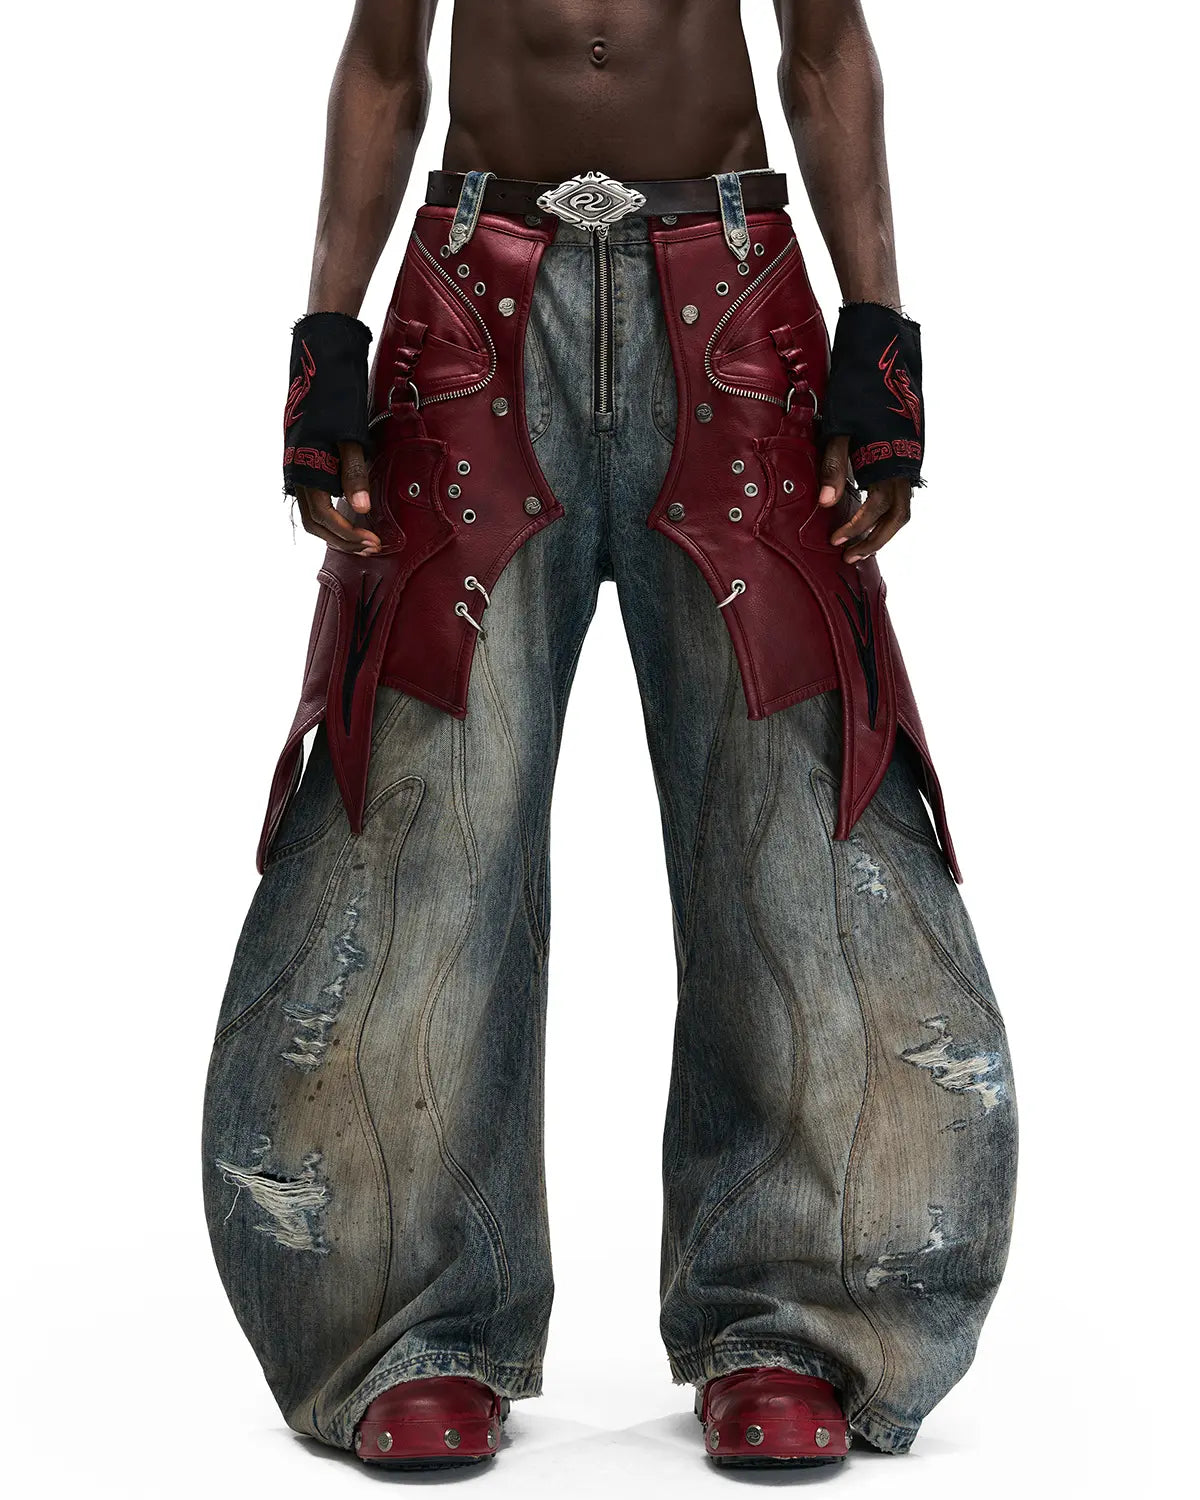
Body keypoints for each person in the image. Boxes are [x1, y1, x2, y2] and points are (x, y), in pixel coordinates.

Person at [203, 0, 1017, 1473]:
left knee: (797, 803)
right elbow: (384, 61)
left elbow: (824, 46)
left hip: (734, 293)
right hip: (471, 301)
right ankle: (407, 1329)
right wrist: (327, 335)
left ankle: (799, 1322)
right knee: (422, 809)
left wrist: (879, 334)